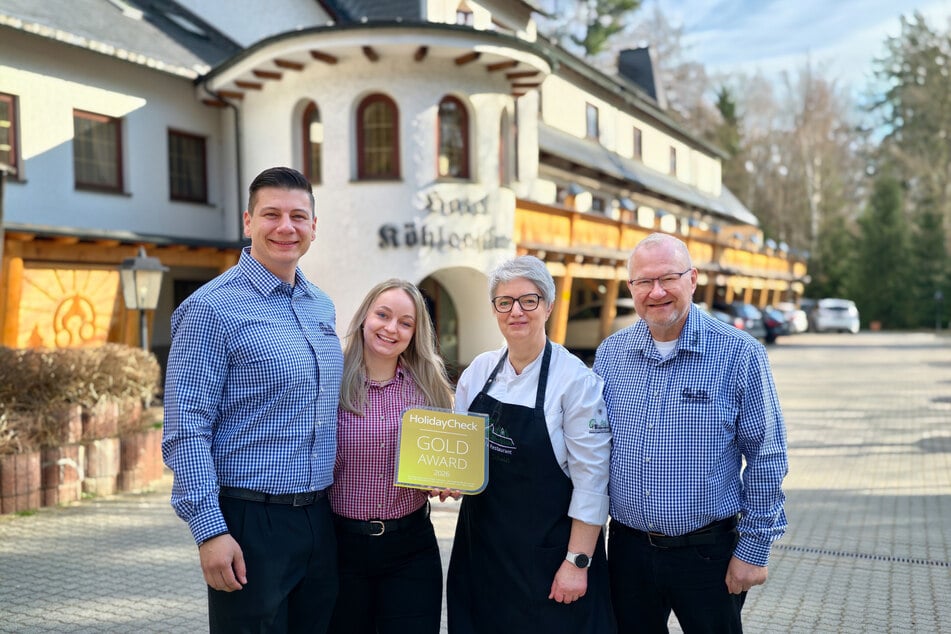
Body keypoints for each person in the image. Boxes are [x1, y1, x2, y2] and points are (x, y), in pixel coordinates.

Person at [162, 166, 343, 633]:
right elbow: (185, 429)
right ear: (248, 222)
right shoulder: (210, 309)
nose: (286, 227)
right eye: (271, 214)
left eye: (298, 216)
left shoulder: (321, 305)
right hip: (249, 522)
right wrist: (210, 530)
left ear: (314, 227)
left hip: (320, 519)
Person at [593, 232, 788, 633]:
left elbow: (767, 456)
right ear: (631, 287)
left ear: (693, 279)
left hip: (708, 554)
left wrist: (753, 549)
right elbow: (591, 444)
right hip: (628, 551)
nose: (656, 291)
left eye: (668, 278)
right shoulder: (611, 354)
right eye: (644, 281)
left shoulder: (739, 353)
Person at [447, 255, 615, 633]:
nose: (516, 311)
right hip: (481, 552)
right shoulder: (479, 371)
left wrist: (578, 561)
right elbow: (461, 458)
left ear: (548, 306)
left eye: (529, 300)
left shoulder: (575, 381)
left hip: (549, 559)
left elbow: (592, 481)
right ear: (494, 309)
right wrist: (446, 481)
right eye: (505, 302)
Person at [327, 279, 454, 634]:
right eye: (383, 315)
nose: (391, 328)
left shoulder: (429, 387)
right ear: (364, 318)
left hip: (410, 550)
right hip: (339, 548)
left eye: (405, 322)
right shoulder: (330, 381)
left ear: (415, 333)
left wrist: (445, 481)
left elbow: (440, 462)